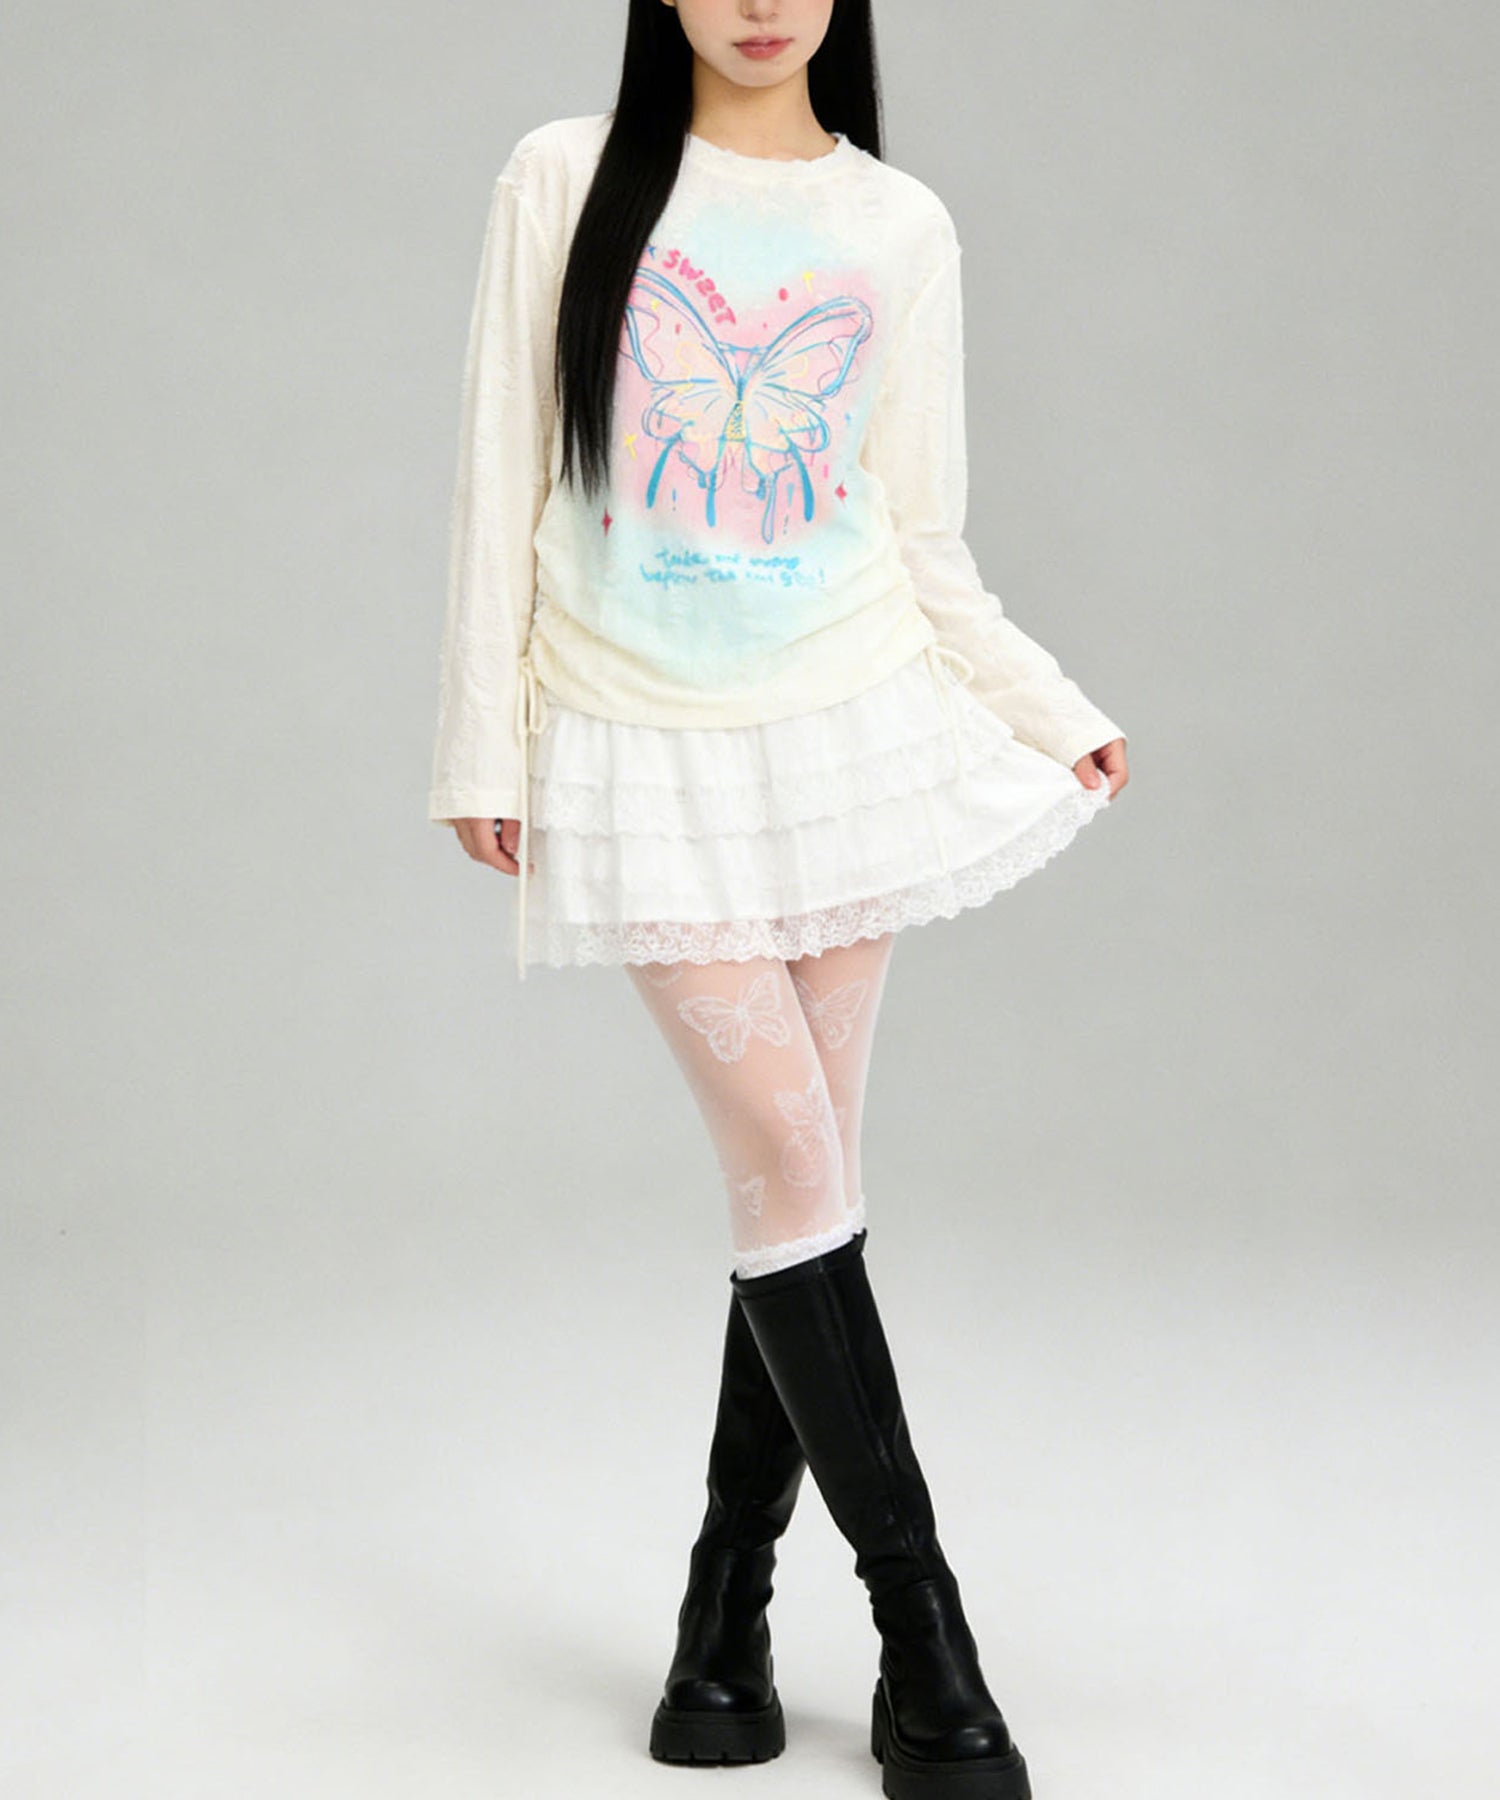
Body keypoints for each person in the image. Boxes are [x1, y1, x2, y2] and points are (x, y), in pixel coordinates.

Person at [428, 3, 1130, 1793]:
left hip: (847, 732)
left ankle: (722, 1618)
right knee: (795, 1173)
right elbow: (502, 477)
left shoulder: (895, 223)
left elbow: (918, 526)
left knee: (793, 1188)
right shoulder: (565, 179)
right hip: (636, 738)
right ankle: (923, 1634)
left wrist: (1047, 704)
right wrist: (481, 746)